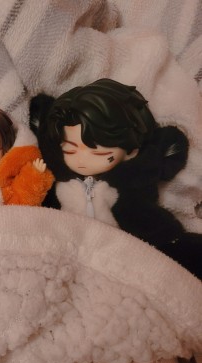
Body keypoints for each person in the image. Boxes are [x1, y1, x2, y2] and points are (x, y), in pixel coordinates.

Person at [31, 78, 201, 279]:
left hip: (126, 259)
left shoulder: (133, 178)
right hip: (67, 255)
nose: (81, 160)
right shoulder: (59, 180)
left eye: (98, 153)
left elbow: (150, 222)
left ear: (130, 150)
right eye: (70, 150)